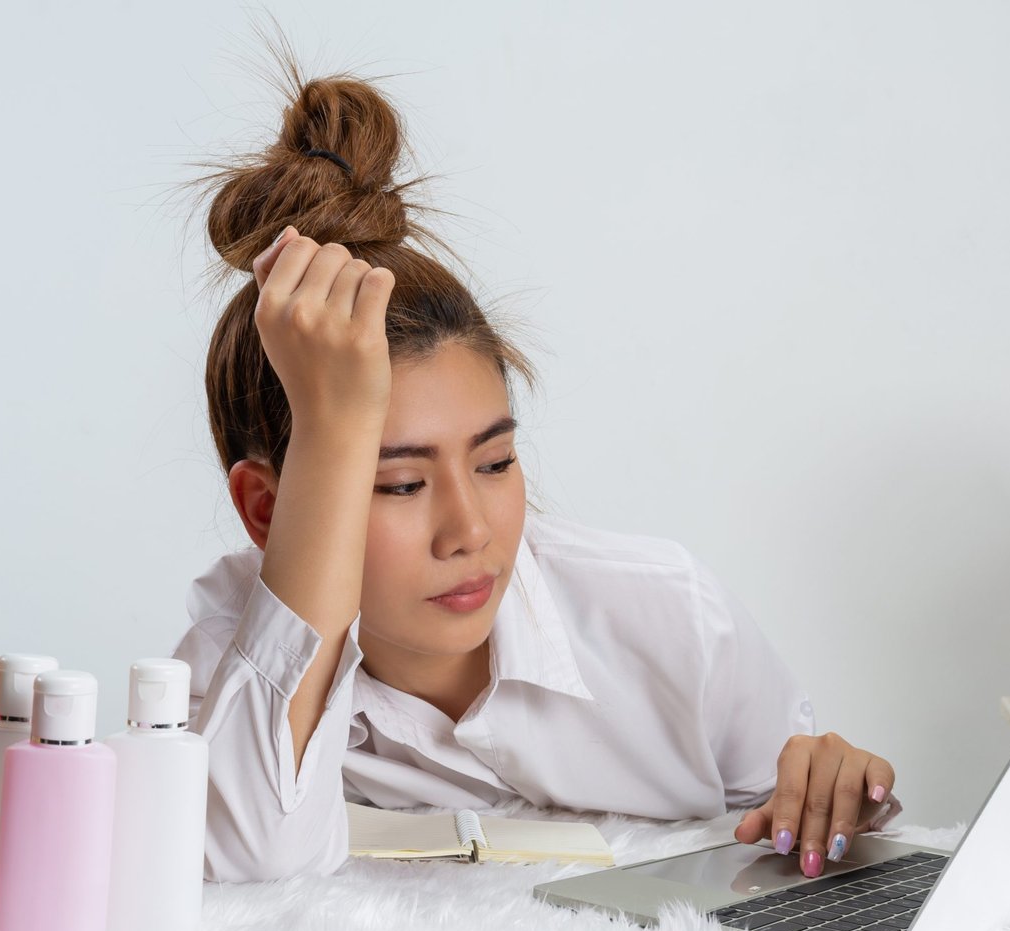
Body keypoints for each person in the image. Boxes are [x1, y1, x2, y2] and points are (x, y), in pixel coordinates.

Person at [174, 59, 898, 885]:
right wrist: (334, 431)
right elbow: (248, 860)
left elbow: (796, 830)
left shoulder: (666, 615)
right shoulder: (230, 664)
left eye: (495, 461)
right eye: (400, 483)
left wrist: (827, 786)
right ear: (266, 509)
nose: (470, 529)